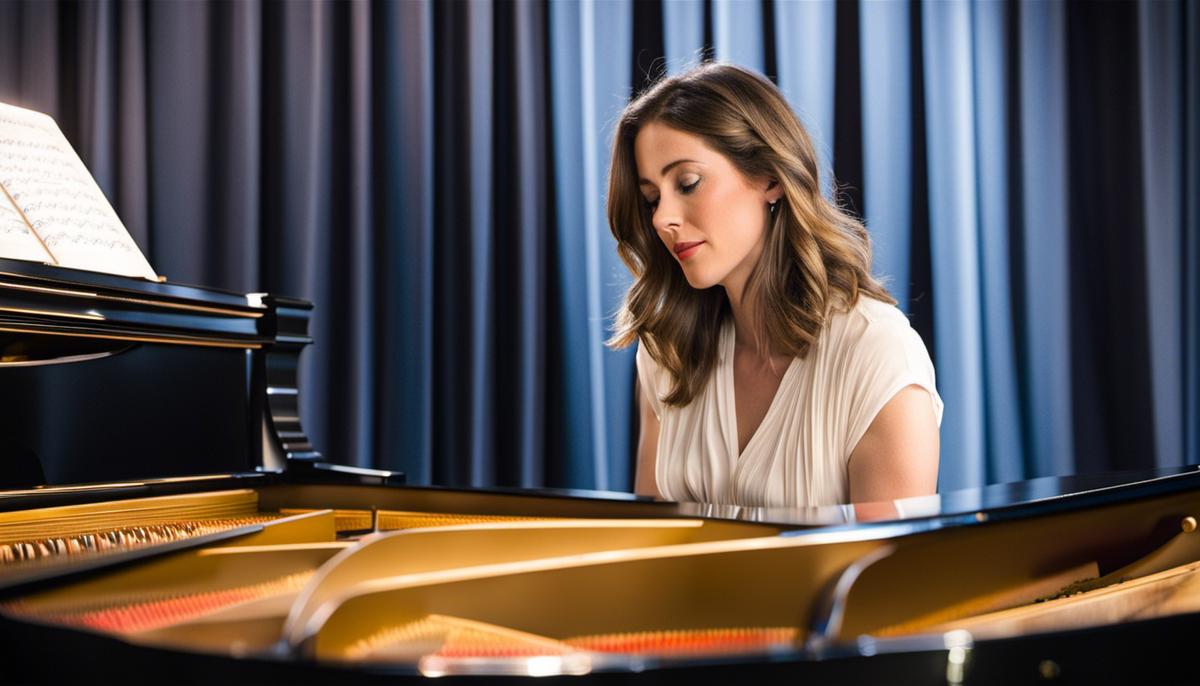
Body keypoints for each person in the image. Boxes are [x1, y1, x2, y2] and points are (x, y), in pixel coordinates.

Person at [605, 63, 943, 508]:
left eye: (687, 183)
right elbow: (649, 553)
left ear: (769, 177)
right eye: (652, 198)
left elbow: (889, 575)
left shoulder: (878, 354)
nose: (661, 218)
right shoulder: (667, 352)